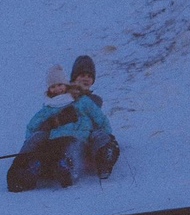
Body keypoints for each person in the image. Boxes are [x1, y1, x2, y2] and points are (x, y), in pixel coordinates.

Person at [7, 64, 115, 192]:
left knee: (71, 149)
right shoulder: (49, 107)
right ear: (49, 89)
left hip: (77, 137)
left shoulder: (81, 101)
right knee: (46, 152)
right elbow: (33, 125)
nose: (57, 89)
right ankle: (29, 170)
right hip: (55, 139)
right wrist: (30, 141)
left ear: (66, 85)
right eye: (53, 86)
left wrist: (107, 135)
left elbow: (99, 117)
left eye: (60, 85)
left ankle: (67, 168)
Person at [68, 54, 120, 179]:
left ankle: (105, 158)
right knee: (71, 145)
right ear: (74, 78)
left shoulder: (95, 100)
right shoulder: (65, 97)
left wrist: (107, 134)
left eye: (89, 76)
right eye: (82, 75)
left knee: (99, 135)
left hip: (89, 135)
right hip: (71, 134)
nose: (86, 79)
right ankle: (68, 166)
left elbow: (99, 119)